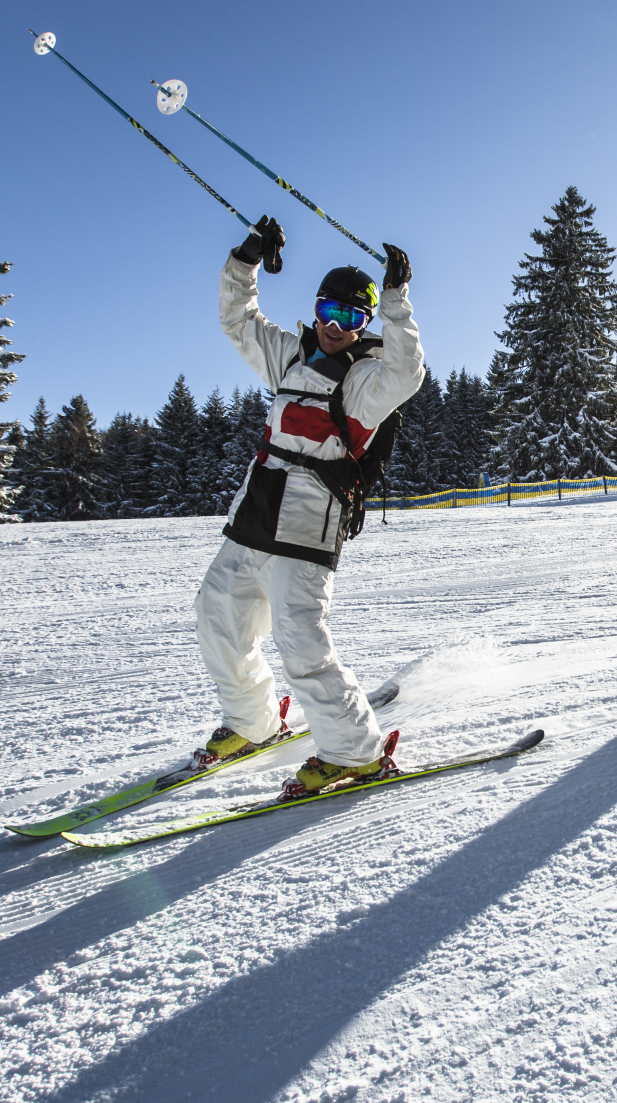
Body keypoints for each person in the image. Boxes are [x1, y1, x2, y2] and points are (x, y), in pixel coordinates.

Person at [194, 214, 423, 798]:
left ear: (364, 324)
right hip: (255, 511)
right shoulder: (288, 358)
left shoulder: (368, 379)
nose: (336, 327)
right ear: (317, 308)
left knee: (301, 643)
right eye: (329, 311)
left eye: (352, 317)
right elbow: (236, 320)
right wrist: (245, 260)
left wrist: (396, 298)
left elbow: (408, 371)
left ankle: (356, 752)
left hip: (308, 522)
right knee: (218, 615)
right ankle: (252, 720)